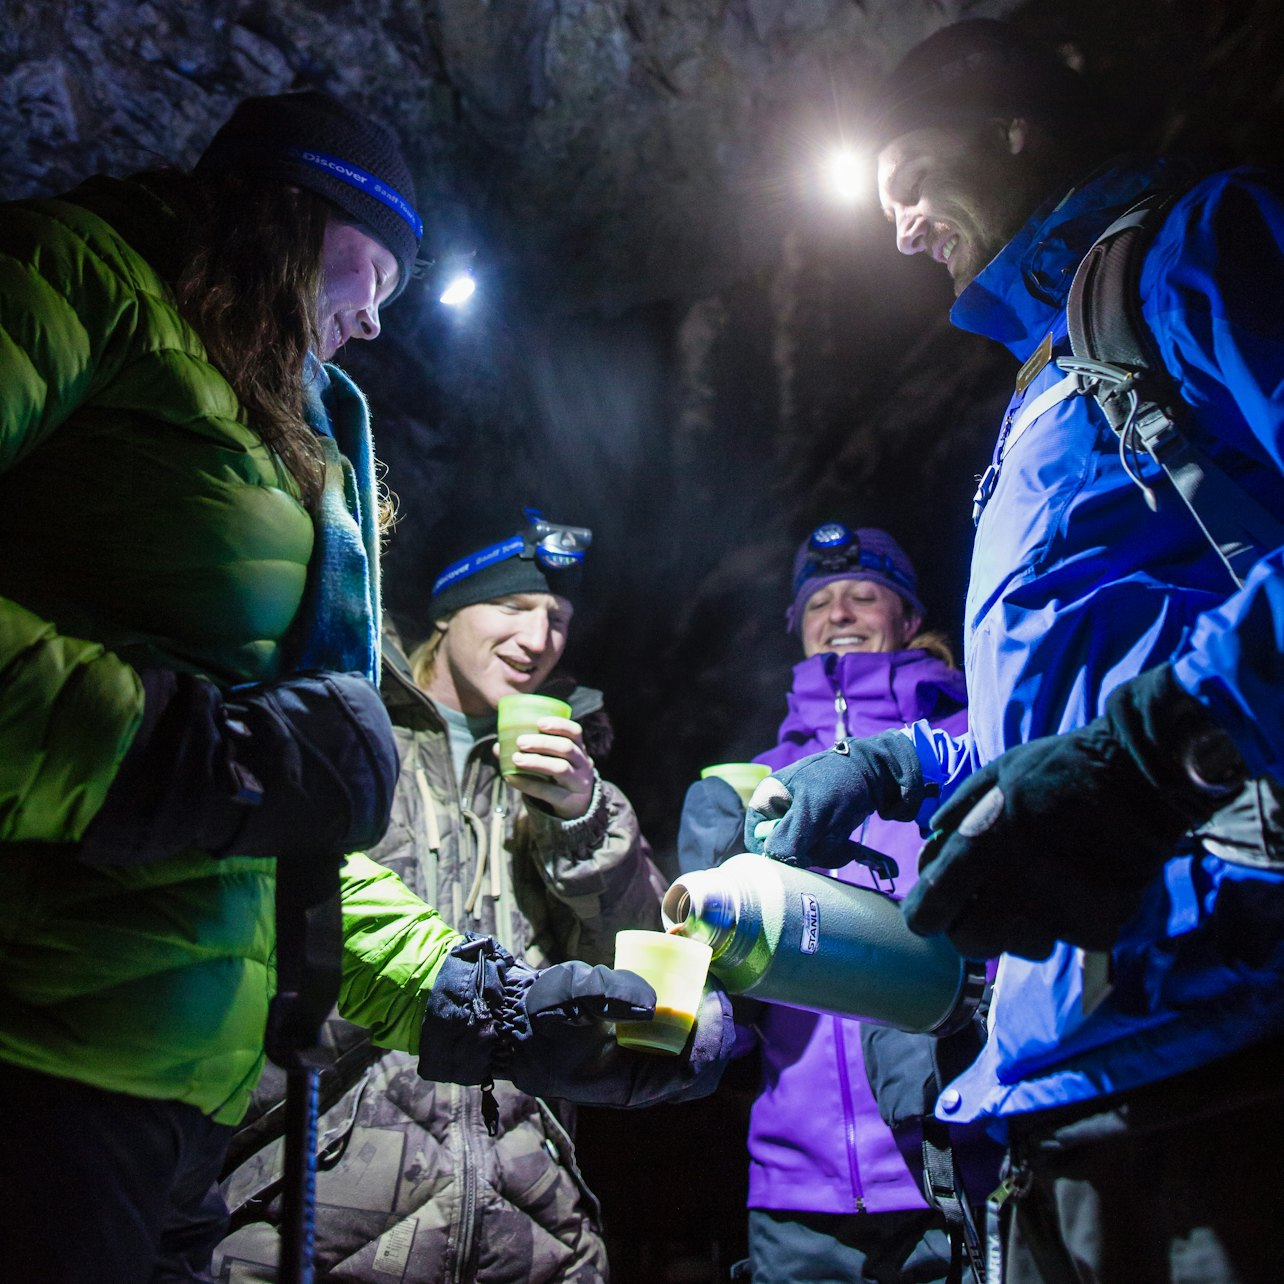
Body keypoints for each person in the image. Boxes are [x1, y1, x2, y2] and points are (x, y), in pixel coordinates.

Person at [0, 89, 729, 1284]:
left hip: (188, 1092)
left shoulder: (285, 438)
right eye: (374, 266)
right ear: (287, 213)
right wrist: (174, 751)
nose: (379, 318)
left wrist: (479, 1000)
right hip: (48, 1059)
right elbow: (237, 772)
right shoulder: (73, 281)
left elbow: (287, 841)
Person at [744, 19, 1284, 1282]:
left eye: (911, 178)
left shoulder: (1190, 254)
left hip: (1233, 1035)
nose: (896, 227)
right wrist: (902, 769)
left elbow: (1125, 736)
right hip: (1069, 1072)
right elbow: (1071, 706)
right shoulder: (1045, 381)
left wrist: (1161, 756)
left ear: (1012, 130)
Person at [215, 510, 668, 1282]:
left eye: (558, 619)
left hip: (534, 1221)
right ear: (449, 610)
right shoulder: (346, 736)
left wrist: (582, 820)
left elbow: (644, 963)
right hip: (315, 1196)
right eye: (514, 607)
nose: (539, 639)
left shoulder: (576, 779)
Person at [679, 524, 984, 1284]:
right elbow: (733, 1000)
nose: (839, 612)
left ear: (909, 619)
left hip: (957, 1145)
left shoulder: (966, 744)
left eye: (862, 595)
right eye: (819, 602)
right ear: (797, 626)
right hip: (795, 1179)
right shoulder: (757, 782)